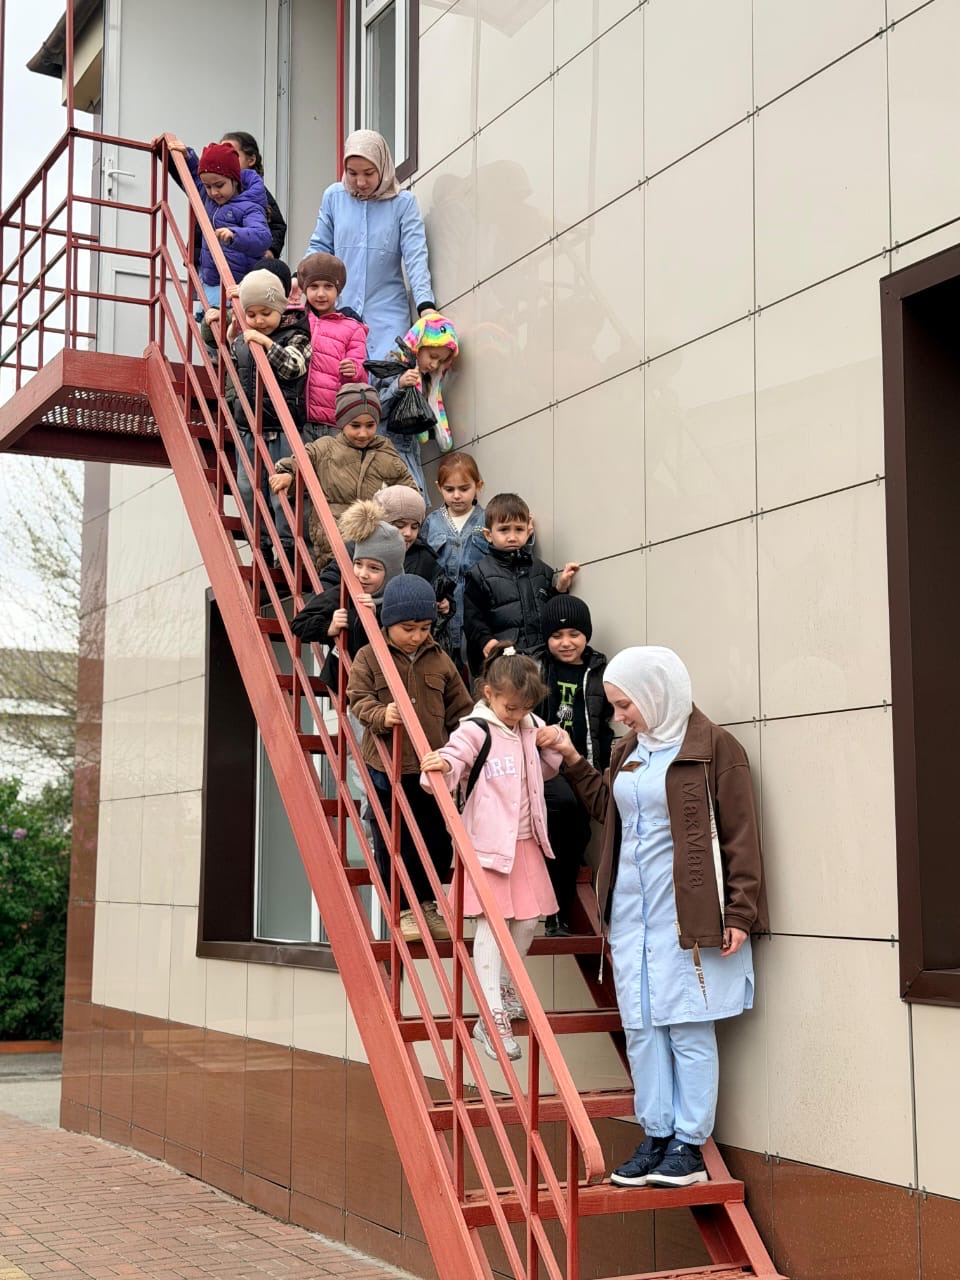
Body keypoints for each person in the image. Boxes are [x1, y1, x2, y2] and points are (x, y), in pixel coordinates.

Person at [554, 647, 768, 1189]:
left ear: (656, 694)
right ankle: (656, 1135)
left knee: (688, 1026)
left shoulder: (715, 748)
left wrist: (741, 911)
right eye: (615, 705)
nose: (619, 716)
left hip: (688, 913)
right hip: (631, 914)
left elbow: (741, 836)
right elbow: (610, 810)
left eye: (626, 705)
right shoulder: (629, 749)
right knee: (643, 1028)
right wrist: (573, 760)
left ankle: (688, 1146)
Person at [420, 648, 564, 1062]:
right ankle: (490, 1013)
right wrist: (441, 764)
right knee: (490, 923)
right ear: (489, 693)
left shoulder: (529, 726)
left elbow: (544, 771)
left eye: (525, 708)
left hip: (526, 842)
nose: (517, 715)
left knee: (529, 921)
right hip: (487, 845)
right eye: (510, 707)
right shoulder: (476, 729)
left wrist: (553, 744)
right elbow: (453, 759)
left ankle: (501, 989)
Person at [348, 575, 473, 942]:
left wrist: (464, 746)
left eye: (424, 628)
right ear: (388, 622)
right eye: (408, 628)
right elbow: (357, 698)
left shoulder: (441, 659)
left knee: (435, 839)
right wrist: (380, 714)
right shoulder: (369, 655)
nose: (417, 636)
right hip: (386, 766)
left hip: (430, 767)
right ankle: (403, 910)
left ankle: (428, 905)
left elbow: (461, 709)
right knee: (395, 839)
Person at [305, 130, 436, 359]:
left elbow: (415, 256)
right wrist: (301, 279)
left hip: (388, 311)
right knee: (342, 373)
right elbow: (319, 247)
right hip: (340, 310)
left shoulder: (403, 203)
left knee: (389, 369)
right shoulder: (334, 197)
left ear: (383, 167)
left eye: (368, 173)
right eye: (352, 173)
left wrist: (425, 305)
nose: (360, 182)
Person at [268, 384, 417, 569]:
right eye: (355, 426)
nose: (363, 433)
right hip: (333, 543)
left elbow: (408, 489)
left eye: (370, 425)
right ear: (341, 422)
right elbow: (302, 460)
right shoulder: (326, 447)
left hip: (372, 545)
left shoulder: (384, 450)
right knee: (337, 579)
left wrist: (407, 517)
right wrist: (288, 475)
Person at [535, 595, 613, 937]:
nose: (566, 643)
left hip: (584, 764)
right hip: (546, 766)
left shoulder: (599, 671)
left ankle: (559, 916)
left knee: (579, 835)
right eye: (556, 636)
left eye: (574, 634)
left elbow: (605, 721)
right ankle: (553, 912)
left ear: (587, 635)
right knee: (563, 811)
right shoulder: (537, 667)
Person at [224, 268, 311, 564]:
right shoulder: (244, 338)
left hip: (283, 428)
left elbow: (294, 367)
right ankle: (259, 546)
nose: (259, 320)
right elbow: (233, 356)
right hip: (249, 427)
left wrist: (267, 344)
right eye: (251, 314)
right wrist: (234, 325)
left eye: (266, 313)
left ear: (280, 308)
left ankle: (287, 551)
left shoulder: (296, 334)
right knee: (248, 489)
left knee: (281, 492)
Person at [295, 486, 454, 637]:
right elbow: (328, 586)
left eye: (414, 527)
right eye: (400, 525)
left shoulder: (424, 557)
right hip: (354, 639)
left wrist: (446, 605)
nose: (407, 533)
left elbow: (438, 591)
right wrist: (328, 623)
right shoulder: (357, 549)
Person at [462, 492, 580, 675]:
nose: (512, 536)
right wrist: (486, 641)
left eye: (519, 529)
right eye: (504, 530)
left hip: (543, 662)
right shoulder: (479, 574)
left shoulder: (542, 570)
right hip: (505, 664)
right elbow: (472, 619)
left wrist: (560, 589)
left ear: (528, 530)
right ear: (488, 535)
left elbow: (551, 612)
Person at [164, 137, 271, 307]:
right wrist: (187, 156)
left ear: (235, 180)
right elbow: (195, 178)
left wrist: (235, 235)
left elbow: (262, 236)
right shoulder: (209, 198)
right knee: (208, 320)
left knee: (222, 320)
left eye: (219, 185)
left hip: (238, 284)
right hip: (212, 281)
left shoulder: (250, 206)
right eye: (208, 187)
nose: (214, 192)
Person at [375, 312, 460, 494]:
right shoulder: (394, 364)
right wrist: (399, 385)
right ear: (418, 346)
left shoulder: (427, 380)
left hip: (410, 454)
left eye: (441, 361)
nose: (434, 365)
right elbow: (376, 409)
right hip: (386, 452)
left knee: (415, 501)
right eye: (433, 356)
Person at [422, 453, 488, 664]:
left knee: (479, 667)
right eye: (449, 489)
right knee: (444, 666)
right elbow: (422, 562)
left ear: (478, 486)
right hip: (441, 612)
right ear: (438, 487)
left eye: (464, 489)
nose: (457, 496)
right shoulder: (432, 522)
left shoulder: (488, 520)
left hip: (477, 608)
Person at [296, 253, 369, 440]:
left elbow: (362, 373)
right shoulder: (294, 319)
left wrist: (354, 370)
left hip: (334, 422)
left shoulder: (353, 328)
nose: (321, 294)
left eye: (328, 286)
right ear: (304, 289)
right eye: (314, 286)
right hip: (298, 420)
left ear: (338, 290)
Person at [221, 131, 287, 260]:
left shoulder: (258, 193)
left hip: (245, 262)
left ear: (251, 160)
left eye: (233, 155)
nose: (226, 161)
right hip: (212, 260)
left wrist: (270, 251)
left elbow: (277, 226)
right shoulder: (212, 188)